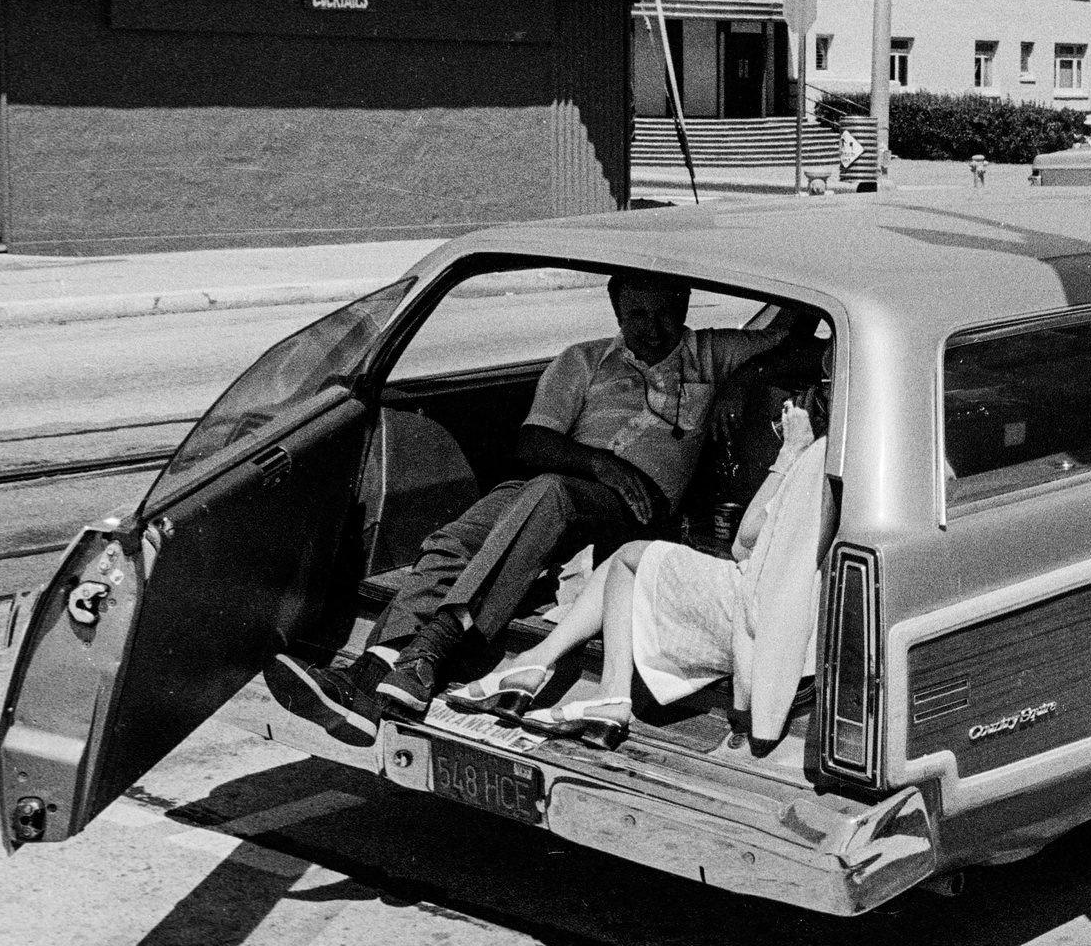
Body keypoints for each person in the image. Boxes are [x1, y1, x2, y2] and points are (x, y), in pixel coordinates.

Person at [268, 274, 790, 744]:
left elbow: (798, 338)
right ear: (616, 315)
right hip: (562, 484)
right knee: (454, 541)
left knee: (550, 493)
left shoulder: (712, 352)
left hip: (634, 508)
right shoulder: (582, 360)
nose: (652, 329)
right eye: (637, 316)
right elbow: (534, 442)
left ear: (684, 308)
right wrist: (605, 466)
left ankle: (430, 651)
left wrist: (740, 382)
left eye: (663, 314)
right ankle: (372, 675)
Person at [445, 325, 836, 748]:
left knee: (632, 557)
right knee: (620, 565)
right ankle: (534, 662)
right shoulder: (855, 452)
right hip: (779, 609)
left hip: (752, 615)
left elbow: (745, 541)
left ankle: (609, 692)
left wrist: (788, 453)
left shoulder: (816, 456)